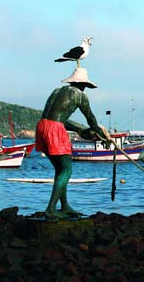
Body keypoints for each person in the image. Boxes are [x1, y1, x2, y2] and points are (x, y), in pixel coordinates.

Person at [35, 67, 113, 219]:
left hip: (42, 126)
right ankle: (51, 209)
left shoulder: (56, 91)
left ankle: (64, 206)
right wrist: (101, 135)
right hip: (55, 129)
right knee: (67, 169)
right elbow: (91, 119)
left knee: (60, 168)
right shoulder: (80, 96)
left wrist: (79, 130)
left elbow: (57, 118)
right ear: (83, 84)